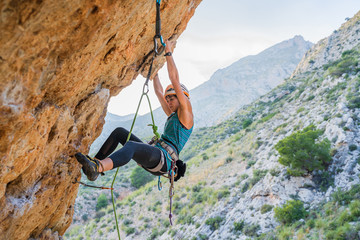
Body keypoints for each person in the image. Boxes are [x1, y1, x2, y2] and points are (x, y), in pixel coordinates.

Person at [75, 40, 194, 182]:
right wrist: (154, 72)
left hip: (164, 160)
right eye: (167, 99)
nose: (168, 102)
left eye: (171, 99)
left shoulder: (186, 116)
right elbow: (158, 92)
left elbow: (174, 79)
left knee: (131, 146)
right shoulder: (173, 115)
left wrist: (168, 52)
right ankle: (93, 164)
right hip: (157, 155)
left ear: (182, 98)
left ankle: (99, 167)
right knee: (119, 133)